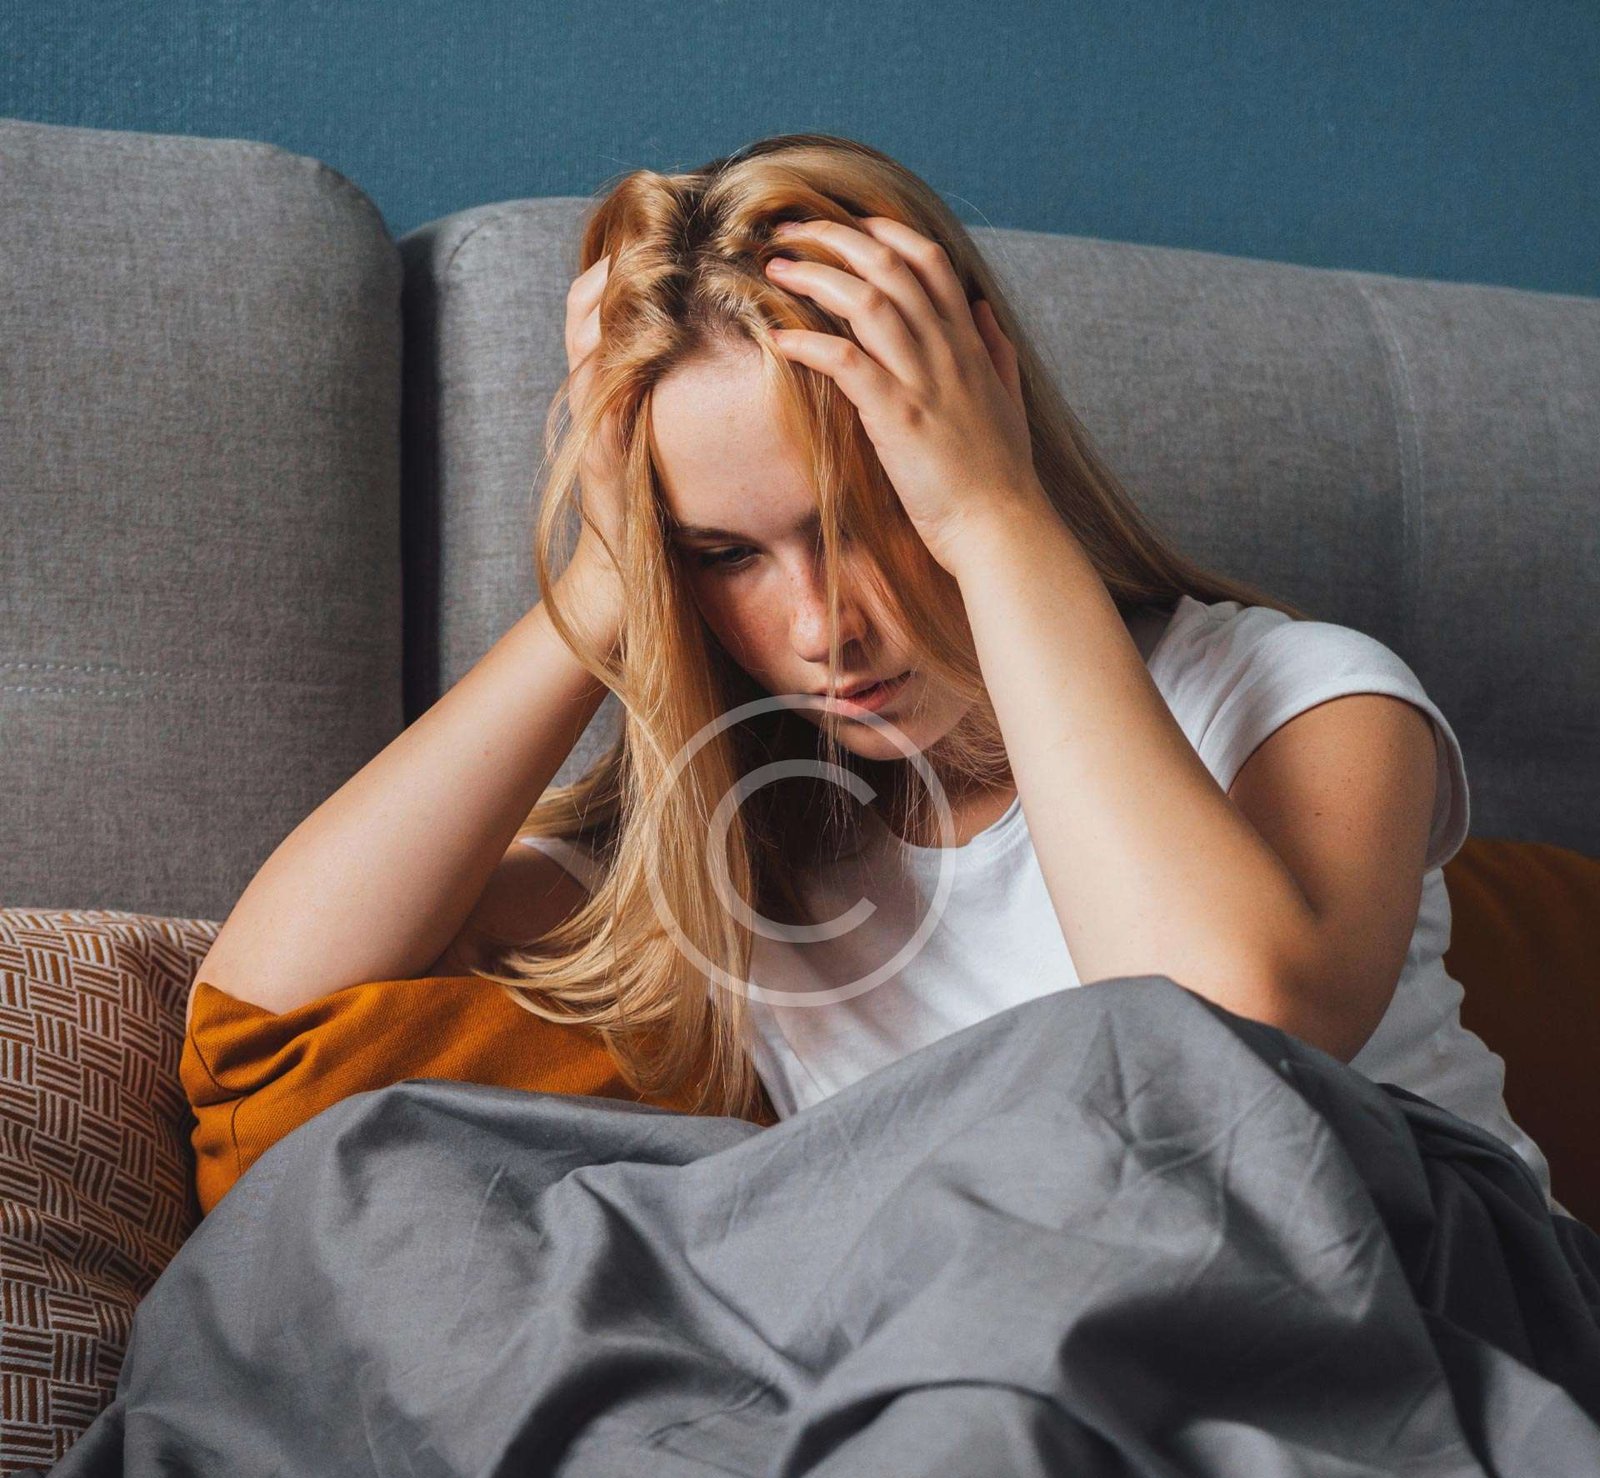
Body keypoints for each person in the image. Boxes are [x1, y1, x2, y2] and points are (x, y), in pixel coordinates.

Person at [188, 131, 1562, 1213]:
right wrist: (606, 590)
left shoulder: (1302, 697)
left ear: (978, 416)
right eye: (726, 553)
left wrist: (994, 517)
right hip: (1055, 1382)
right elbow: (270, 1010)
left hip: (1425, 1315)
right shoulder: (756, 835)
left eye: (869, 522)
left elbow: (1237, 1052)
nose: (821, 628)